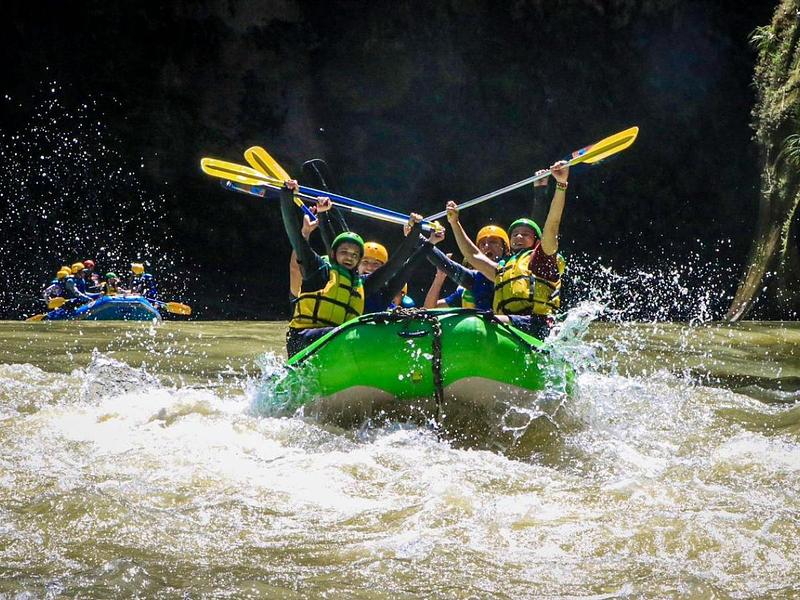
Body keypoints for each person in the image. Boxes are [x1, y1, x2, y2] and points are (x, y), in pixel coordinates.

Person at [446, 160, 570, 339]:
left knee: (481, 321)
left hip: (537, 324)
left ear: (536, 240)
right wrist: (454, 223)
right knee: (478, 320)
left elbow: (552, 223)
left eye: (525, 234)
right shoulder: (503, 269)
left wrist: (561, 185)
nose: (519, 237)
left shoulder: (543, 258)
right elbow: (472, 255)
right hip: (512, 323)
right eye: (515, 234)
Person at [423, 225, 509, 310]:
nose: (486, 246)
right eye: (482, 244)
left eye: (493, 242)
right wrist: (439, 278)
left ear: (505, 249)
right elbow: (429, 308)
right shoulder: (473, 282)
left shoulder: (512, 273)